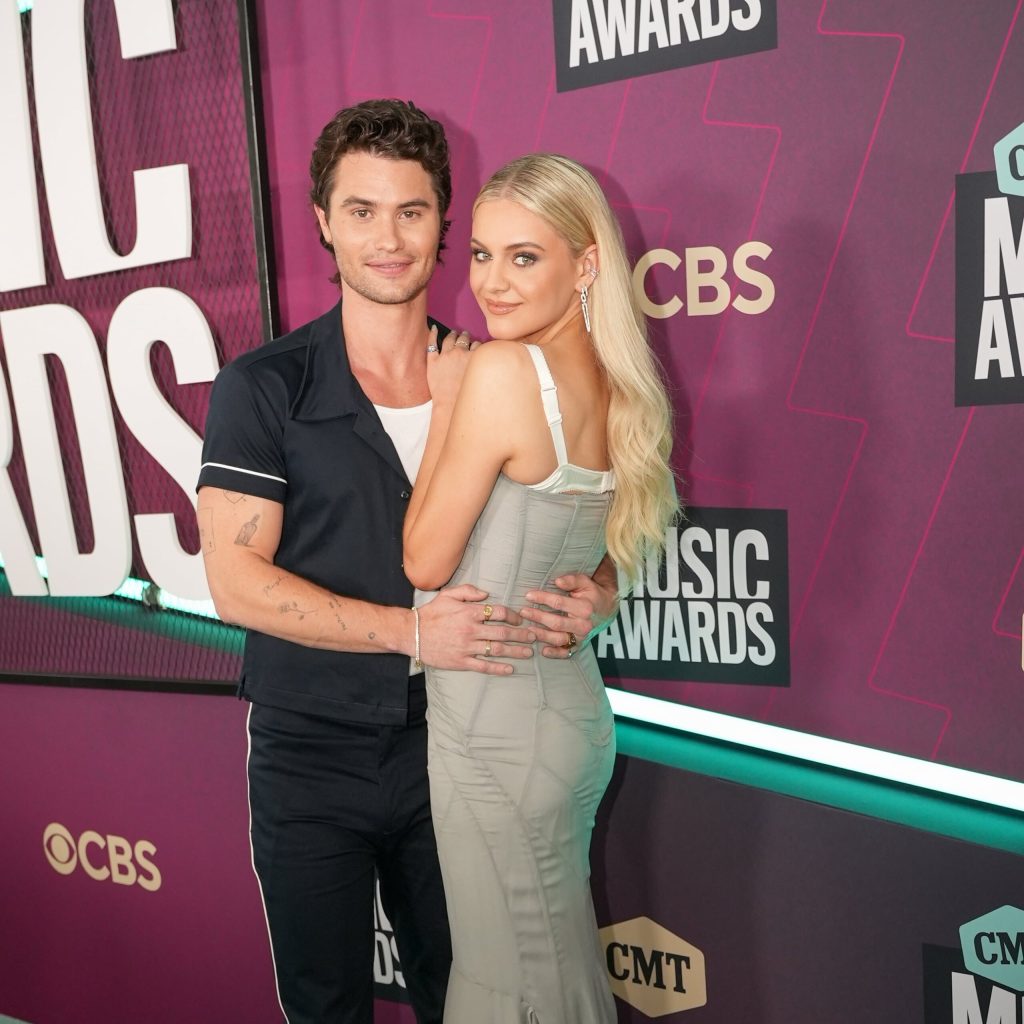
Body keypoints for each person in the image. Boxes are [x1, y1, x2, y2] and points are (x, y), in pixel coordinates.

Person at [195, 101, 618, 1024]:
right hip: (312, 755)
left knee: (463, 993)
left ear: (443, 222)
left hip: (457, 742)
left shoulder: (496, 371)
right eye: (361, 211)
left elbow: (581, 515)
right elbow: (234, 582)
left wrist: (599, 589)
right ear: (323, 221)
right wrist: (412, 632)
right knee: (327, 1005)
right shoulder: (264, 387)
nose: (388, 240)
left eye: (412, 211)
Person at [402, 154, 678, 1022]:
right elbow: (619, 537)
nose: (492, 282)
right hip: (567, 719)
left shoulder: (500, 372)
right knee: (553, 970)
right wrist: (601, 592)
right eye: (482, 255)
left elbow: (422, 561)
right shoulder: (615, 380)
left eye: (524, 257)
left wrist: (445, 403)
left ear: (585, 264)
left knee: (510, 983)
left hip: (494, 733)